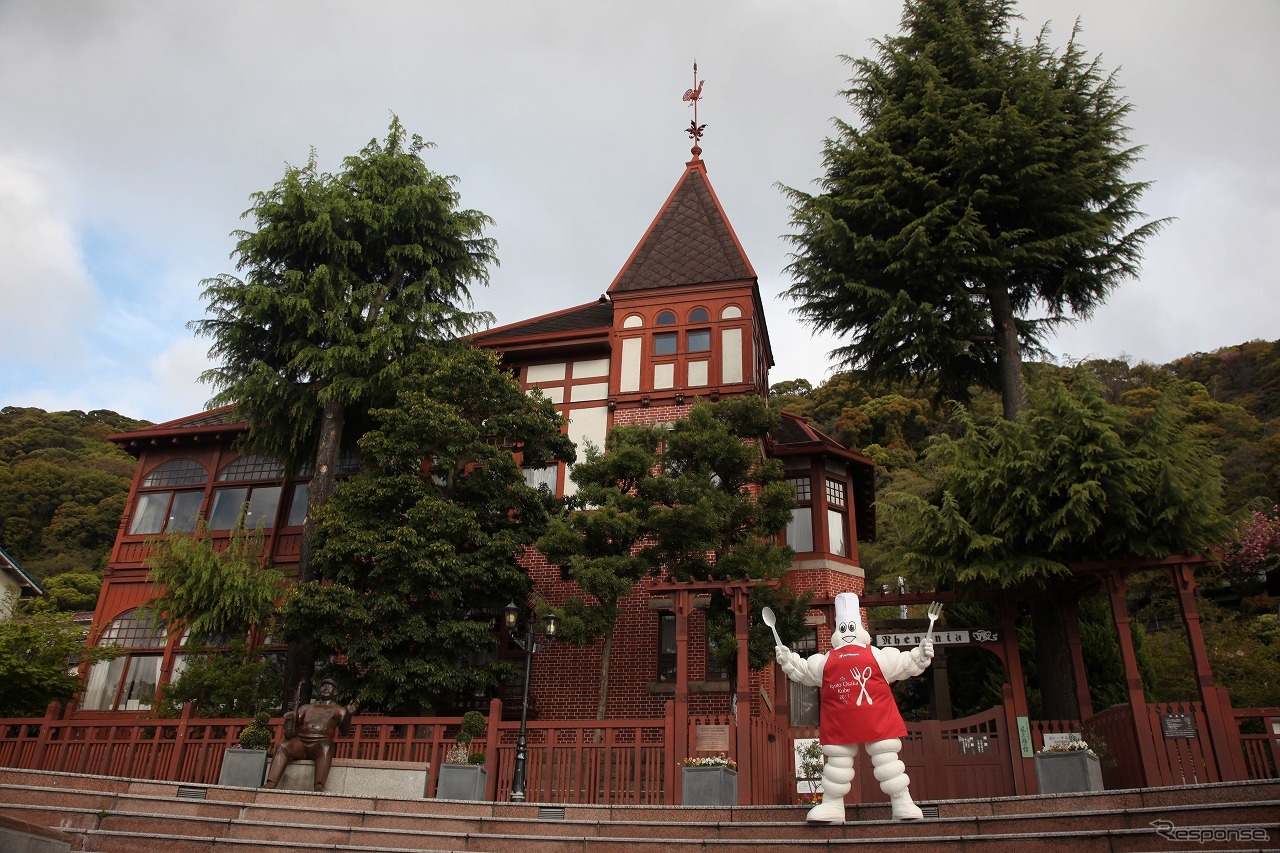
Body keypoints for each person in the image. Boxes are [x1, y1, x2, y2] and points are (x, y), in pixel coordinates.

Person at [776, 592, 934, 823]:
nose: (848, 631)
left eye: (852, 626)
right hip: (841, 721)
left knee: (888, 761)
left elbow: (905, 663)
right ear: (838, 631)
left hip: (877, 717)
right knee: (837, 765)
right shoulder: (826, 660)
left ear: (859, 628)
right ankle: (832, 805)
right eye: (844, 627)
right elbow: (803, 671)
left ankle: (902, 802)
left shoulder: (878, 656)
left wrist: (920, 655)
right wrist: (787, 658)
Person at [263, 678, 358, 791]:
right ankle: (271, 782)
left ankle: (319, 785)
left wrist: (348, 716)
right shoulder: (306, 707)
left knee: (326, 747)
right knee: (282, 745)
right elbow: (294, 723)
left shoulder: (339, 710)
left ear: (335, 692)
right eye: (323, 686)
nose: (325, 688)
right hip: (301, 742)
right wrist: (292, 714)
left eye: (329, 686)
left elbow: (345, 732)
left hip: (321, 742)